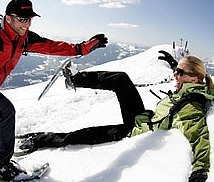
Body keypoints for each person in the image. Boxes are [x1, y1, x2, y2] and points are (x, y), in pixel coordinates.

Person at [0, 0, 108, 181]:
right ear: (9, 18)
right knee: (5, 111)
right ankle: (2, 167)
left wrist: (81, 48)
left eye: (29, 19)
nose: (27, 24)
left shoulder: (23, 38)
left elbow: (51, 46)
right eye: (22, 19)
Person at [19, 51, 214, 182]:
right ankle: (75, 79)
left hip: (135, 132)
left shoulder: (191, 104)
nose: (175, 75)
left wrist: (200, 171)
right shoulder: (189, 88)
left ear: (194, 78)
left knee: (84, 135)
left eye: (179, 73)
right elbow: (184, 79)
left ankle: (38, 140)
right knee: (121, 80)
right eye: (176, 71)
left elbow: (199, 137)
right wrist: (175, 64)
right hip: (142, 119)